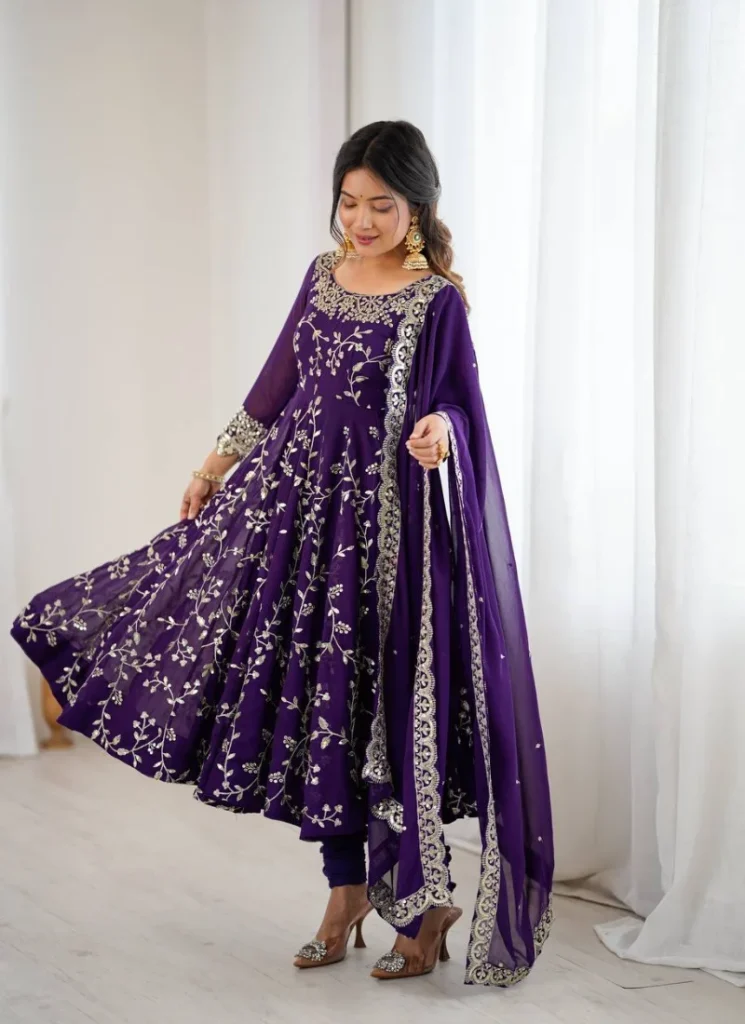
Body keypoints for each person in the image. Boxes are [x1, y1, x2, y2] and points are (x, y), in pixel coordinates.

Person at [10, 120, 553, 985]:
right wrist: (211, 466)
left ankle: (421, 905)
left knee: (380, 707)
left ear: (417, 208)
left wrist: (436, 432)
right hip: (293, 518)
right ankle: (345, 893)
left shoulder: (434, 300)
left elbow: (459, 405)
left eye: (380, 205)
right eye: (349, 201)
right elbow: (275, 384)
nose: (360, 221)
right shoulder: (321, 275)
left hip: (386, 538)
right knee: (317, 706)